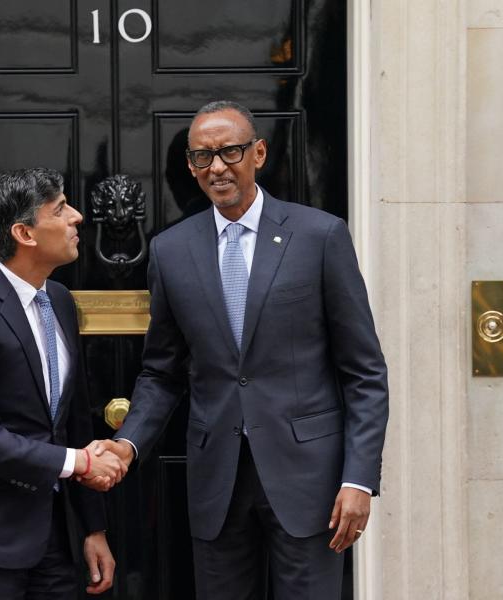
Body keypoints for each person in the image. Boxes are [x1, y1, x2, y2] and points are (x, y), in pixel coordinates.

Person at [95, 101, 389, 599]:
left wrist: (359, 479)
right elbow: (162, 372)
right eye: (202, 157)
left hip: (309, 481)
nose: (217, 167)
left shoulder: (320, 236)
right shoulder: (170, 251)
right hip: (217, 481)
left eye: (230, 152)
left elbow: (364, 372)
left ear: (258, 153)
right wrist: (129, 443)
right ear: (190, 166)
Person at [0, 168, 127, 599]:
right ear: (24, 233)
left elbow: (73, 420)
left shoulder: (60, 302)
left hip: (56, 539)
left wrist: (93, 528)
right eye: (60, 210)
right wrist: (82, 463)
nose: (77, 217)